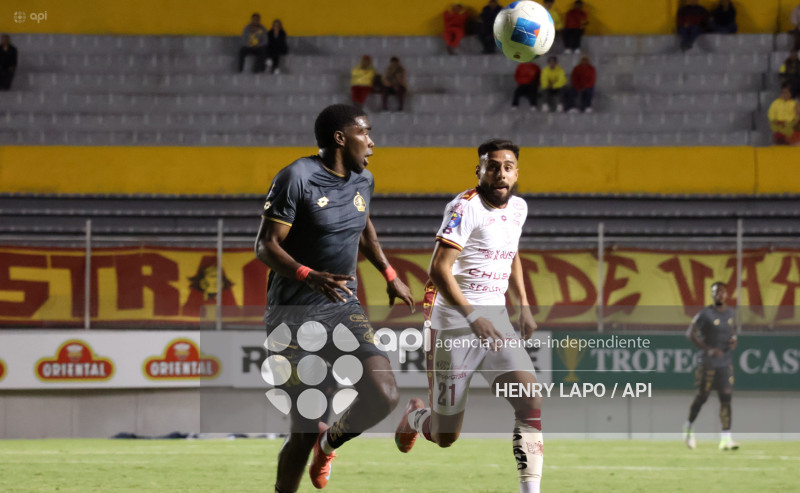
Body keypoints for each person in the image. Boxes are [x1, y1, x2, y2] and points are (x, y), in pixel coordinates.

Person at [255, 104, 415, 492]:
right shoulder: (297, 177)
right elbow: (265, 245)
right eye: (365, 133)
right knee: (303, 429)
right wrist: (308, 275)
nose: (372, 143)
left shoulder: (364, 180)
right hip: (292, 318)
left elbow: (363, 226)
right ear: (341, 138)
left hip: (342, 307)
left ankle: (328, 444)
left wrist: (389, 274)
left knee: (384, 395)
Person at [394, 139, 543, 493]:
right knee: (445, 436)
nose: (500, 173)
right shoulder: (464, 208)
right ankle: (415, 416)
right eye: (492, 166)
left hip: (495, 321)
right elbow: (438, 269)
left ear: (516, 173)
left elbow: (511, 251)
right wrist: (473, 316)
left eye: (508, 167)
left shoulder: (518, 208)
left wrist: (523, 304)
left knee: (530, 399)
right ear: (479, 171)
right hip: (453, 326)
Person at [683, 282, 739, 451]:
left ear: (726, 294)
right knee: (702, 396)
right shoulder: (705, 314)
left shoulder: (731, 313)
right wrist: (708, 349)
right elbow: (690, 333)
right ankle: (688, 428)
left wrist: (734, 340)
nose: (719, 295)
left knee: (726, 396)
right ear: (712, 295)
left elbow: (732, 332)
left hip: (725, 361)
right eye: (716, 292)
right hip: (708, 361)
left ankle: (726, 438)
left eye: (722, 292)